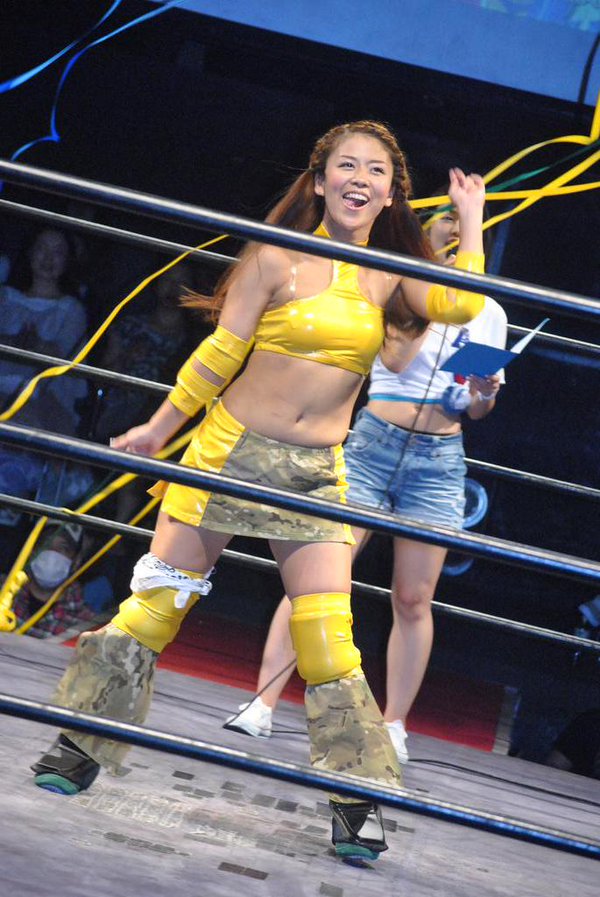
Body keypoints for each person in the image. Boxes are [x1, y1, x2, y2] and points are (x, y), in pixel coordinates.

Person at [31, 120, 486, 862]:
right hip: (230, 453)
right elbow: (219, 354)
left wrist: (470, 219)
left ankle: (357, 803)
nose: (360, 179)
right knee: (156, 608)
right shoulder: (275, 256)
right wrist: (158, 428)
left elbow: (461, 307)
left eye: (376, 169)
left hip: (315, 472)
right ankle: (78, 745)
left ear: (392, 193)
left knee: (329, 642)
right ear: (320, 179)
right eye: (346, 165)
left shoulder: (392, 270)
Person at [223, 196, 507, 765]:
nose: (454, 243)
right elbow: (396, 361)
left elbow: (479, 410)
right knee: (320, 575)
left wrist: (482, 393)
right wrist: (431, 294)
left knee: (414, 596)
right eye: (444, 233)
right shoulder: (392, 286)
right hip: (376, 443)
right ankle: (264, 701)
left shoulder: (490, 313)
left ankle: (394, 722)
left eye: (463, 236)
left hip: (439, 458)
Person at [0, 227, 89, 511]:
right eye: (42, 249)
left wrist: (35, 345)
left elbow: (64, 357)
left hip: (43, 395)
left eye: (57, 252)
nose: (48, 258)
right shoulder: (5, 297)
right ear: (30, 252)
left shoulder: (71, 309)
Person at [4, 523, 96, 638]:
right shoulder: (4, 593)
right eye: (45, 544)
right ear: (31, 551)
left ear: (76, 561)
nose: (52, 553)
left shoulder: (84, 625)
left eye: (63, 548)